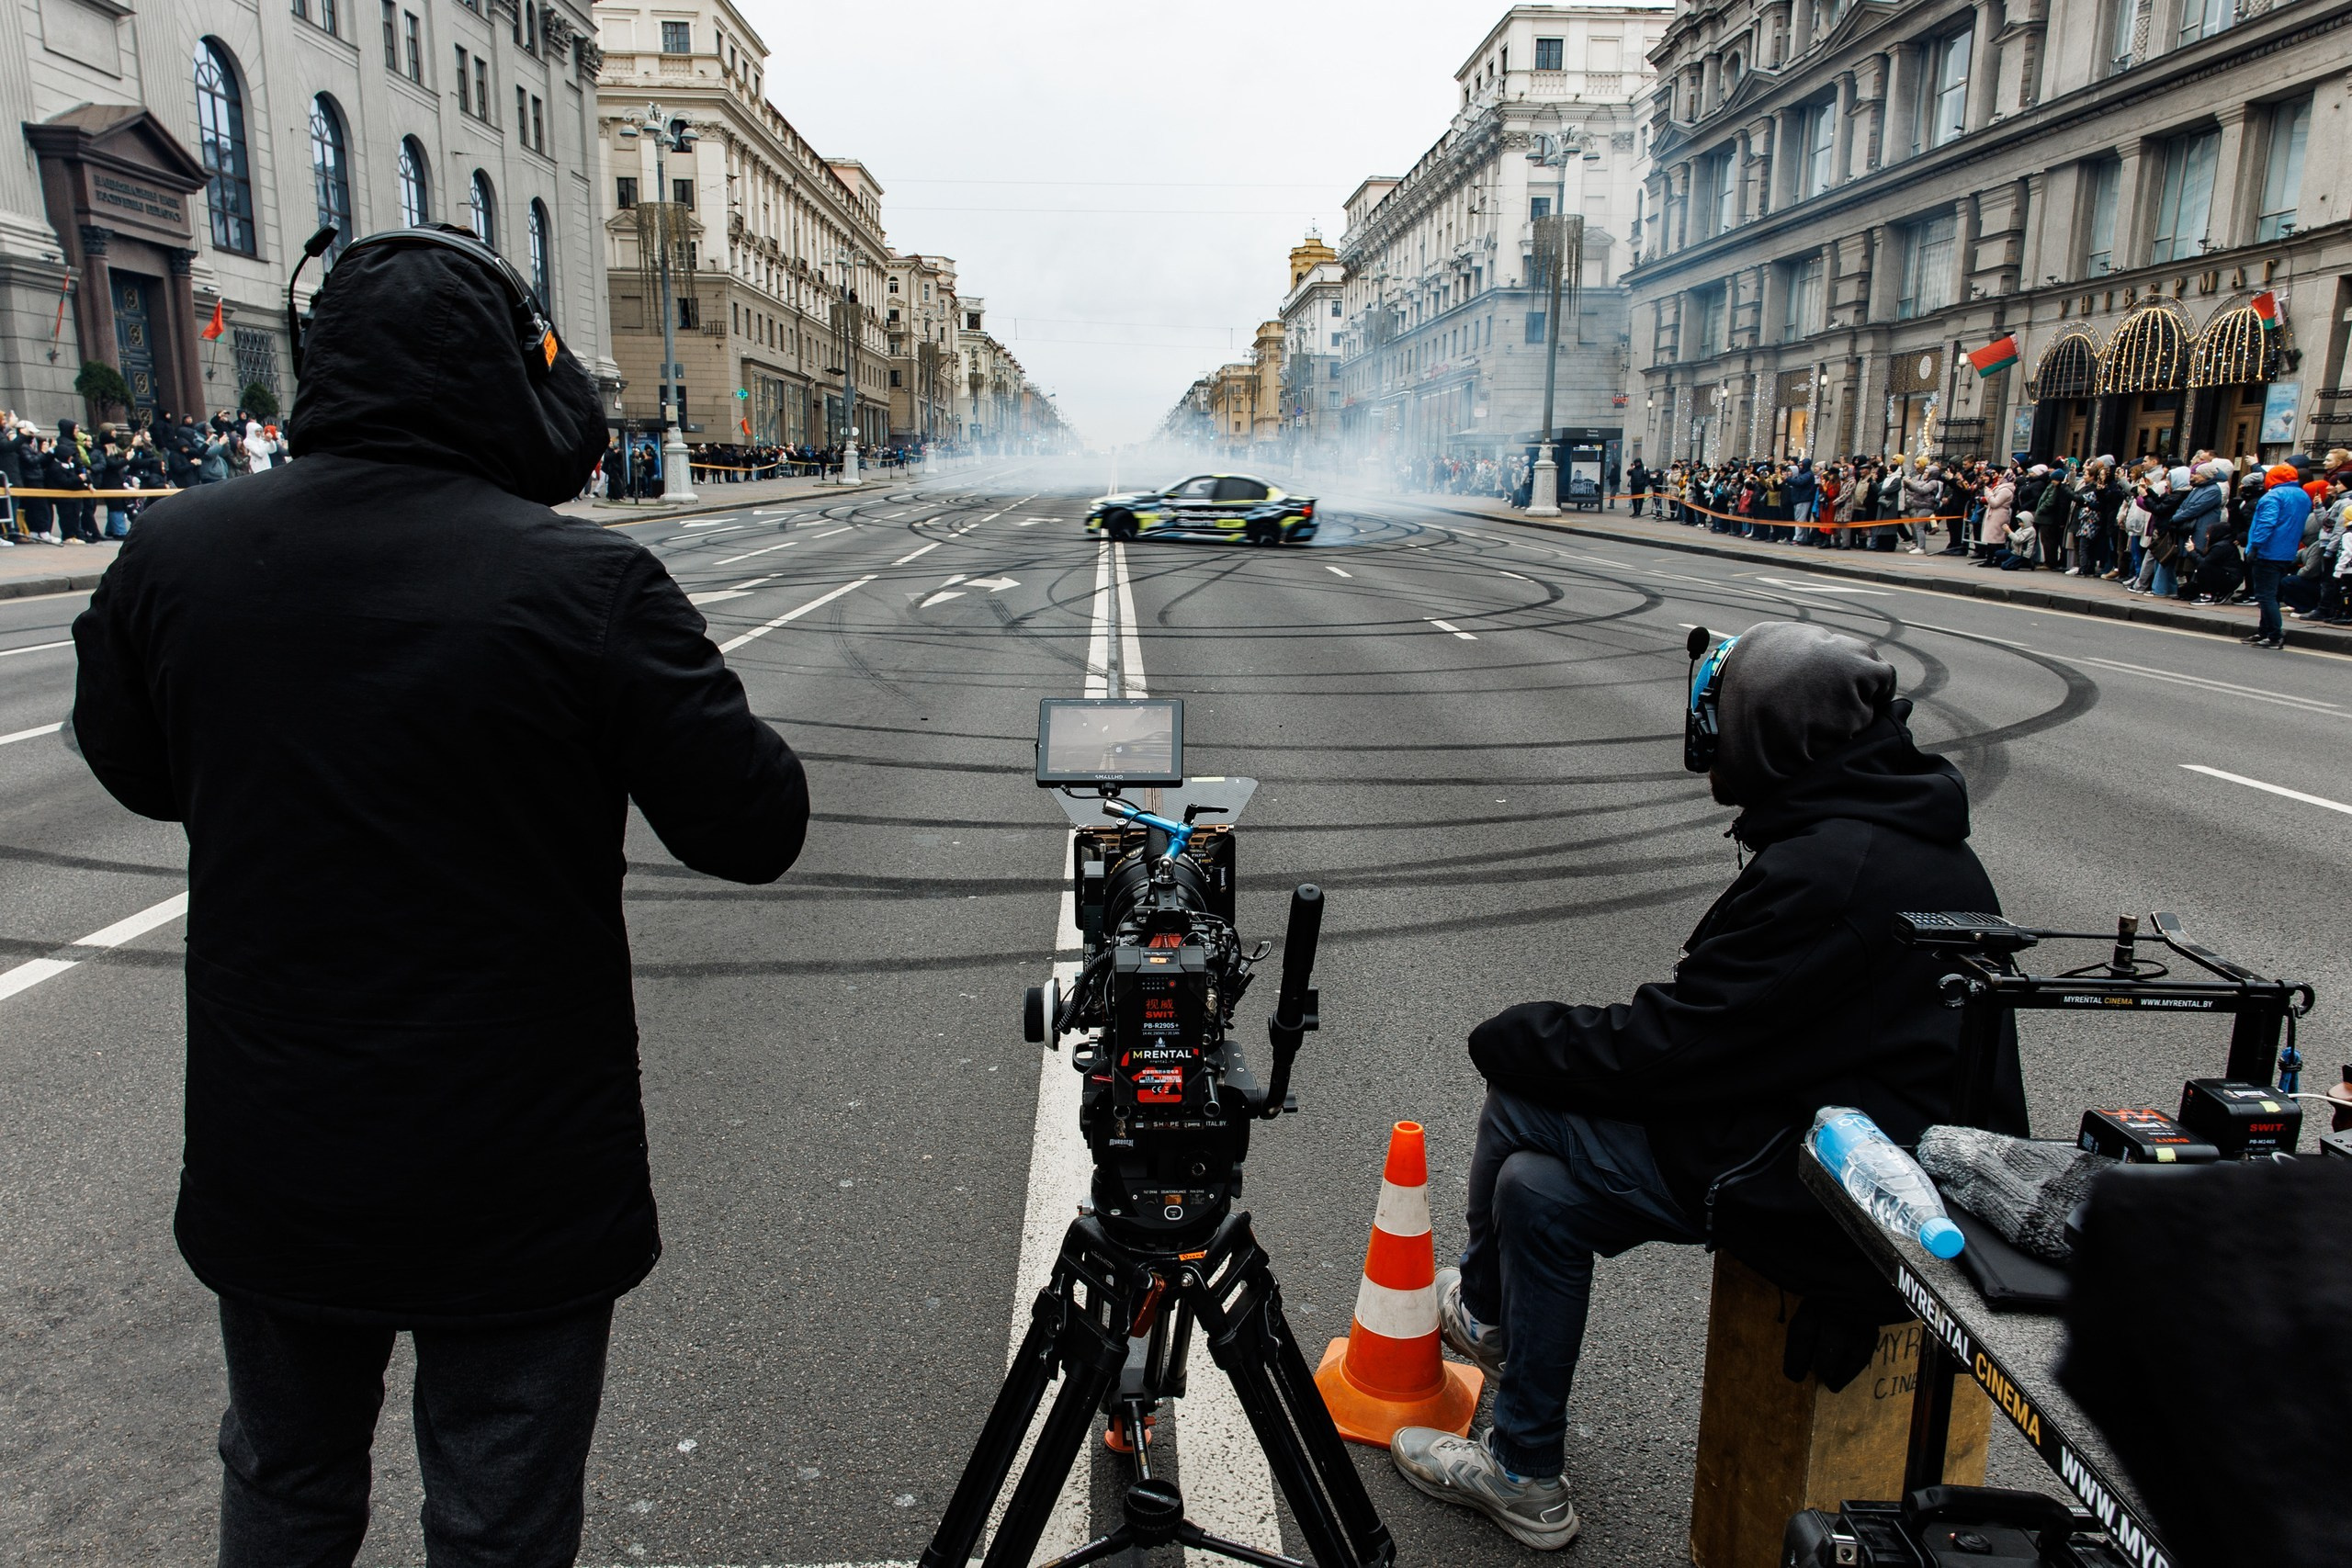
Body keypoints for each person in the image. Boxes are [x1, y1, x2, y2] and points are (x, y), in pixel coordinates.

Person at [71, 227, 812, 1568]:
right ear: (508, 373)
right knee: (496, 1515)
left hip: (278, 1141)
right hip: (517, 1163)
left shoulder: (175, 552)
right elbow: (754, 827)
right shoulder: (586, 580)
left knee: (286, 1481)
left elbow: (135, 768)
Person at [1386, 622, 2022, 1551]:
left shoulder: (1831, 868)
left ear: (1764, 737)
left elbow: (1677, 1045)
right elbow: (1735, 1036)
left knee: (1523, 1096)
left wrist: (1515, 1033)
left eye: (1720, 721)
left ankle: (1483, 1314)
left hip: (1840, 1189)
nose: (1709, 742)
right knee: (1539, 1193)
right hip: (1834, 1138)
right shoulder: (1883, 828)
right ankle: (1525, 1473)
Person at [2244, 462, 2312, 649]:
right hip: (2287, 551)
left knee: (2265, 595)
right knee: (2271, 594)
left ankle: (2273, 634)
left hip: (2268, 551)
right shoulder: (2302, 496)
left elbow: (2267, 523)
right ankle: (2265, 631)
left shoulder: (2273, 496)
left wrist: (2255, 547)